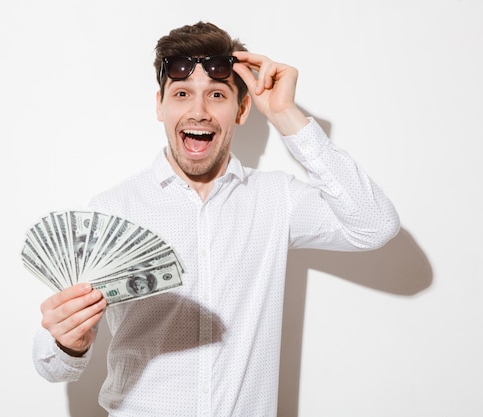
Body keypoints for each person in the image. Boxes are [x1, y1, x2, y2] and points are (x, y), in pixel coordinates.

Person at [32, 21, 400, 416]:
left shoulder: (278, 199)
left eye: (217, 95)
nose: (199, 112)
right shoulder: (115, 209)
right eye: (182, 94)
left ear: (241, 109)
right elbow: (52, 366)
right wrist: (69, 339)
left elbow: (374, 225)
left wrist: (286, 115)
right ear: (160, 105)